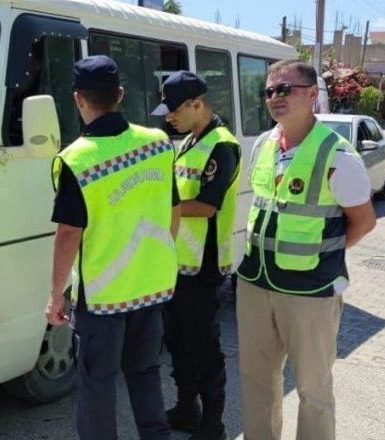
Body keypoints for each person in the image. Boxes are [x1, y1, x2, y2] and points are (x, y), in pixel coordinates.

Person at [235, 60, 377, 440]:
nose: (275, 98)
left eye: (285, 89)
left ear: (312, 94)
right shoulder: (263, 145)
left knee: (313, 390)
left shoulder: (337, 156)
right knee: (256, 381)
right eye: (269, 91)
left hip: (309, 292)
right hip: (255, 283)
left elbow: (363, 221)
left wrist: (321, 254)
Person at [45, 55, 180, 440]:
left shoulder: (78, 159)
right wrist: (158, 257)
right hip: (151, 287)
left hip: (102, 297)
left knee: (97, 384)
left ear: (77, 99)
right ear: (120, 94)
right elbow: (174, 210)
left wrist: (56, 295)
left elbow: (69, 233)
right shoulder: (157, 143)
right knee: (145, 373)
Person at [150, 71, 240, 440]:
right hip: (176, 264)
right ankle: (187, 408)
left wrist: (158, 209)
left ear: (197, 104)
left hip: (202, 267)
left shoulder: (222, 145)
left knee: (203, 348)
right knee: (178, 343)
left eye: (173, 110)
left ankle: (212, 424)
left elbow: (205, 206)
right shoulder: (188, 141)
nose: (168, 117)